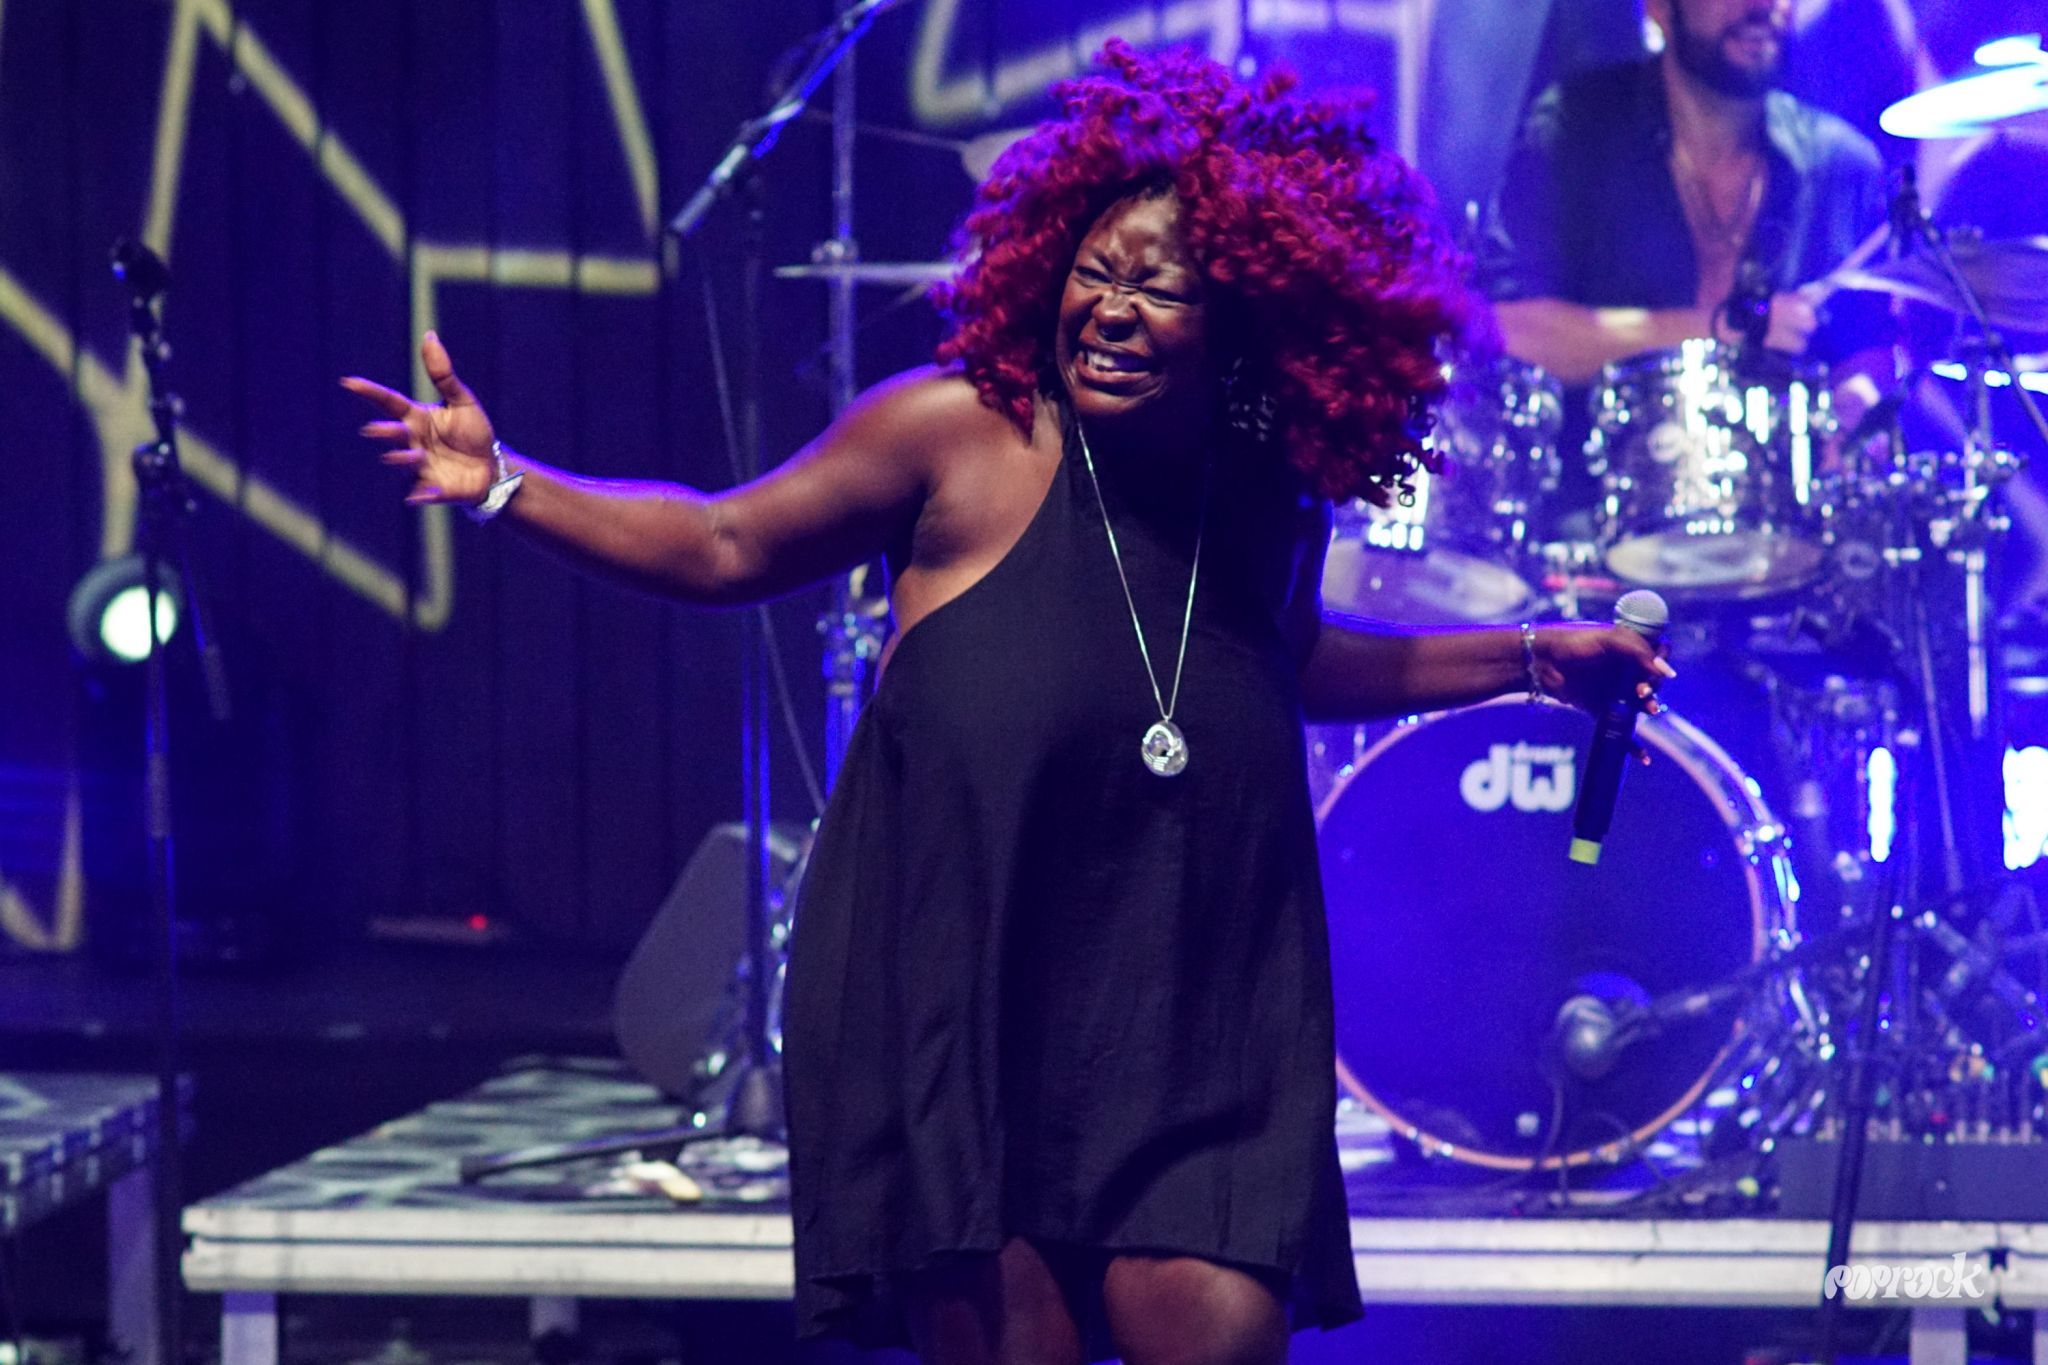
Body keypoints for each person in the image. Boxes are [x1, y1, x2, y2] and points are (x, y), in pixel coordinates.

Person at [344, 42, 1671, 1365]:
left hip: (1190, 999)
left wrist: (1527, 659)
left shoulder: (1266, 485)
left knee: (1218, 1336)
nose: (1113, 309)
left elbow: (1280, 661)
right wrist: (508, 482)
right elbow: (726, 544)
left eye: (1161, 288)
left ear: (1249, 311)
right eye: (1095, 273)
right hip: (964, 995)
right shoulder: (953, 435)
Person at [1482, 0, 1890, 406]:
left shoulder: (1842, 166)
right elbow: (1507, 328)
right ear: (1658, 7)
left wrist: (1856, 406)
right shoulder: (1575, 133)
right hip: (1600, 446)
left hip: (1790, 450)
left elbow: (1870, 353)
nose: (1763, 4)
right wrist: (1725, 329)